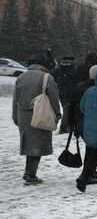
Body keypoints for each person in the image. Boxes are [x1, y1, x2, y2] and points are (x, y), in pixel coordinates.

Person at [12, 54, 62, 184]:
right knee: (37, 145)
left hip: (23, 115)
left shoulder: (21, 77)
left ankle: (29, 171)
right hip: (41, 115)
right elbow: (54, 98)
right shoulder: (46, 77)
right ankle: (31, 174)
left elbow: (15, 98)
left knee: (29, 144)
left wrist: (15, 116)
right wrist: (57, 113)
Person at [52, 55, 77, 134]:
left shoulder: (57, 69)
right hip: (71, 92)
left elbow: (53, 79)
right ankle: (64, 127)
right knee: (67, 110)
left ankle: (66, 126)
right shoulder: (74, 69)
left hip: (61, 92)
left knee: (66, 108)